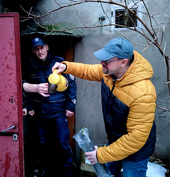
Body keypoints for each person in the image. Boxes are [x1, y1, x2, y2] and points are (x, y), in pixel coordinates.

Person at [52, 38, 156, 177]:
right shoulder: (109, 73)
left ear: (123, 62)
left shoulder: (143, 93)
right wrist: (66, 67)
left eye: (106, 60)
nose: (102, 63)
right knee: (105, 173)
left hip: (136, 151)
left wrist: (100, 154)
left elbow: (135, 138)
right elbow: (87, 70)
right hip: (116, 140)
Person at [22, 37, 77, 177]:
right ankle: (45, 169)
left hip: (58, 111)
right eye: (36, 48)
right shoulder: (30, 65)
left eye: (41, 47)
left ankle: (68, 170)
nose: (39, 51)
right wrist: (29, 106)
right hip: (40, 112)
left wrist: (71, 106)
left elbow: (72, 84)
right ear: (33, 50)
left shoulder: (59, 63)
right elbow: (26, 87)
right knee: (42, 143)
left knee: (62, 142)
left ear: (47, 47)